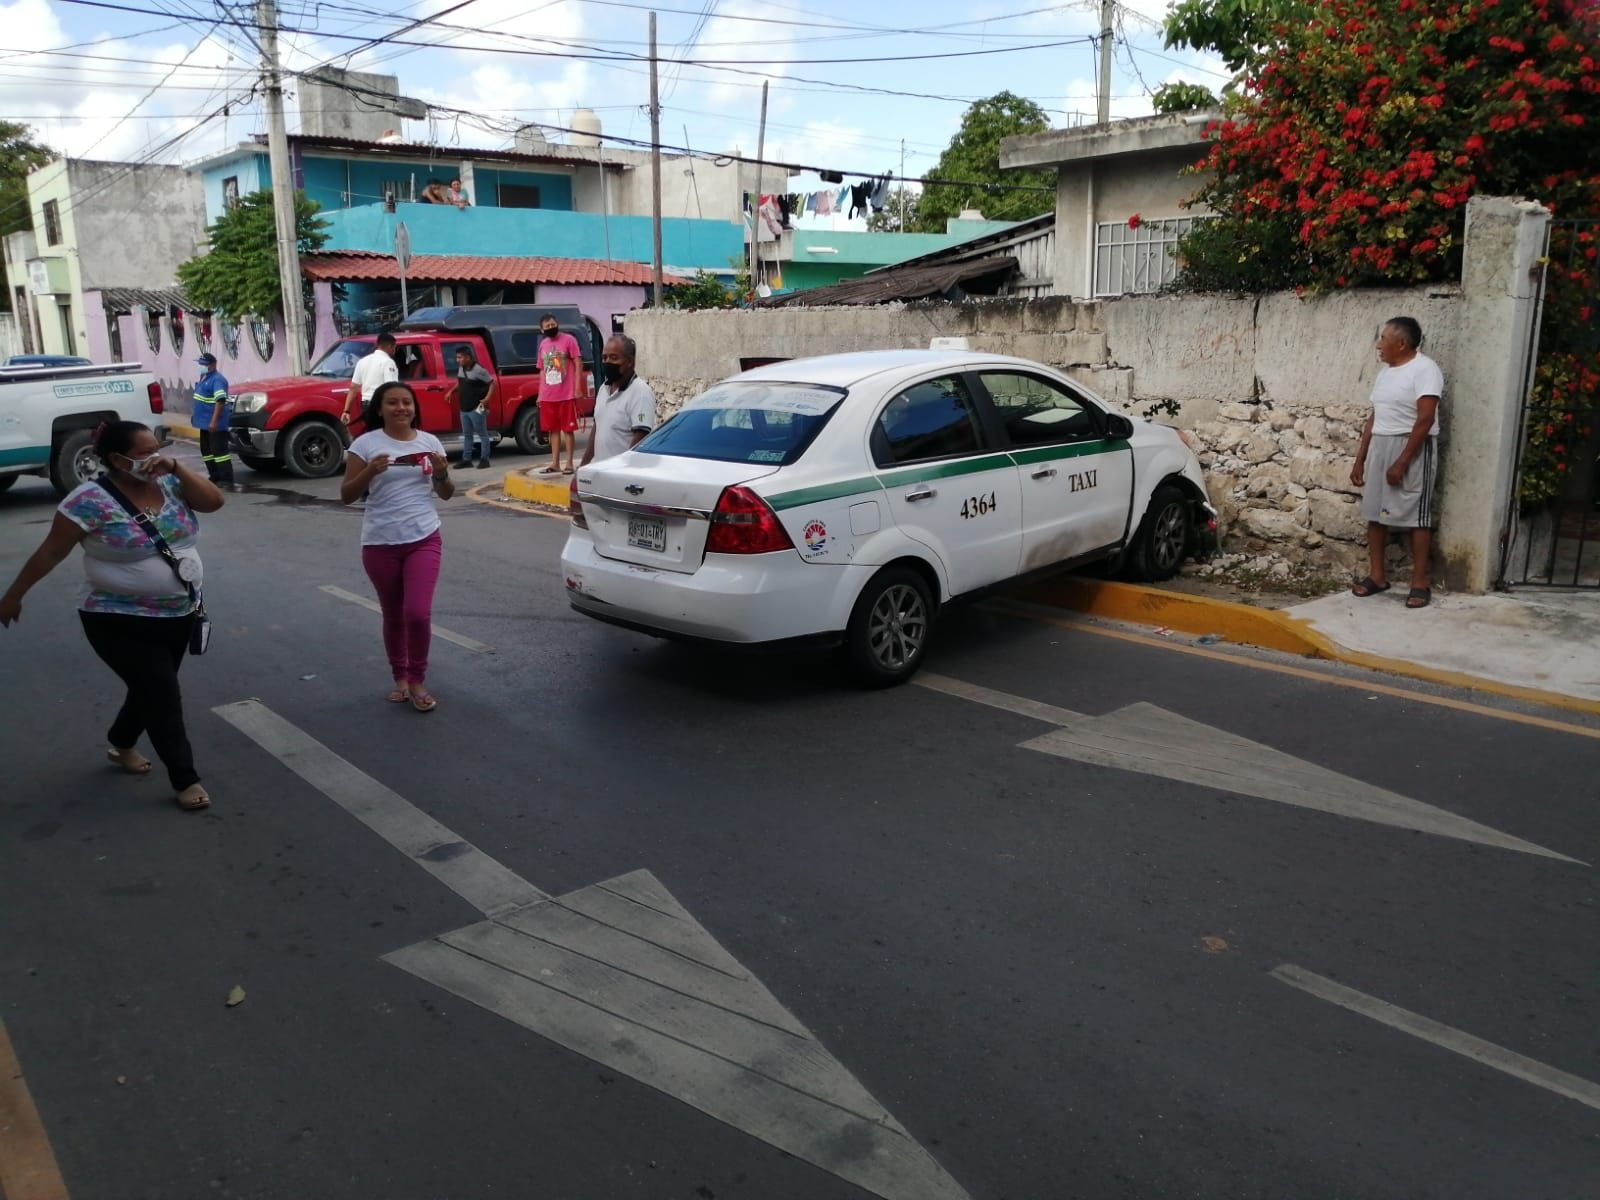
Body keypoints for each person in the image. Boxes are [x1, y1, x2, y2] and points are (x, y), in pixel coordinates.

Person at [0, 421, 225, 811]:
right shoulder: (88, 501)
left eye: (157, 447)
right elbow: (51, 552)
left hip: (178, 612)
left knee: (153, 687)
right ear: (116, 459)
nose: (153, 456)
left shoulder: (170, 483)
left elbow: (214, 502)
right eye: (143, 452)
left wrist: (177, 468)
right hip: (115, 618)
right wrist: (14, 595)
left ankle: (121, 743)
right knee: (162, 694)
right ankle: (185, 779)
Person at [340, 381, 455, 712]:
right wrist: (370, 472)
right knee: (393, 614)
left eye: (407, 402)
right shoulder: (365, 445)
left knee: (416, 613)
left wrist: (442, 474)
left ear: (415, 408)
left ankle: (417, 679)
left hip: (424, 538)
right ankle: (400, 679)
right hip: (380, 543)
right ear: (379, 408)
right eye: (393, 403)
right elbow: (346, 495)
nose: (401, 408)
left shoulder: (429, 443)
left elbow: (446, 493)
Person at [1349, 316, 1443, 609]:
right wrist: (1360, 459)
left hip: (1411, 446)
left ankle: (1419, 583)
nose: (1378, 345)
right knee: (1375, 513)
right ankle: (1377, 576)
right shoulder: (1385, 374)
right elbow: (1375, 417)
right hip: (1381, 444)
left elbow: (1425, 418)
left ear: (1401, 343)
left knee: (1417, 516)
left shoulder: (1425, 369)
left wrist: (1402, 461)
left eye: (1383, 339)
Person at [580, 334, 656, 468]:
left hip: (622, 476)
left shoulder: (640, 392)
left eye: (614, 358)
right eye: (605, 358)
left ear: (630, 361)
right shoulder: (604, 389)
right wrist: (583, 465)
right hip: (602, 472)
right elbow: (597, 428)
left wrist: (623, 470)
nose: (608, 362)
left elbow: (640, 437)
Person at [535, 313, 588, 475]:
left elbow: (578, 363)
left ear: (557, 324)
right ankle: (555, 463)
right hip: (548, 395)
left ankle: (569, 463)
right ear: (541, 329)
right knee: (553, 430)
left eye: (552, 325)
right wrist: (540, 394)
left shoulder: (569, 340)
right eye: (547, 326)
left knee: (568, 429)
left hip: (566, 394)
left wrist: (578, 387)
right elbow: (542, 371)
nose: (551, 328)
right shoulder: (543, 345)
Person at [445, 345, 497, 469]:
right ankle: (466, 459)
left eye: (460, 357)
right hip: (464, 408)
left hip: (476, 407)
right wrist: (451, 391)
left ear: (468, 357)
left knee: (482, 434)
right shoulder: (461, 368)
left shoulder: (478, 370)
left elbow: (492, 383)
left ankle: (485, 459)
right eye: (457, 357)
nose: (458, 360)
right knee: (467, 435)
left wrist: (487, 399)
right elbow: (460, 382)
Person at [192, 352, 234, 487]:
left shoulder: (217, 380)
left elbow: (220, 400)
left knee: (219, 451)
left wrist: (214, 421)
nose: (201, 366)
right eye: (200, 364)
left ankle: (226, 479)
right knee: (206, 451)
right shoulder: (204, 377)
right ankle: (215, 476)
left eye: (204, 364)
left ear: (213, 365)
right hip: (204, 423)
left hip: (214, 423)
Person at [342, 333, 399, 427]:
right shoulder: (388, 362)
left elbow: (353, 387)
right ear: (390, 346)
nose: (395, 350)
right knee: (385, 437)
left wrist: (346, 411)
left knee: (372, 435)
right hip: (381, 406)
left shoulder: (362, 361)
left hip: (366, 406)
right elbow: (391, 388)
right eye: (394, 347)